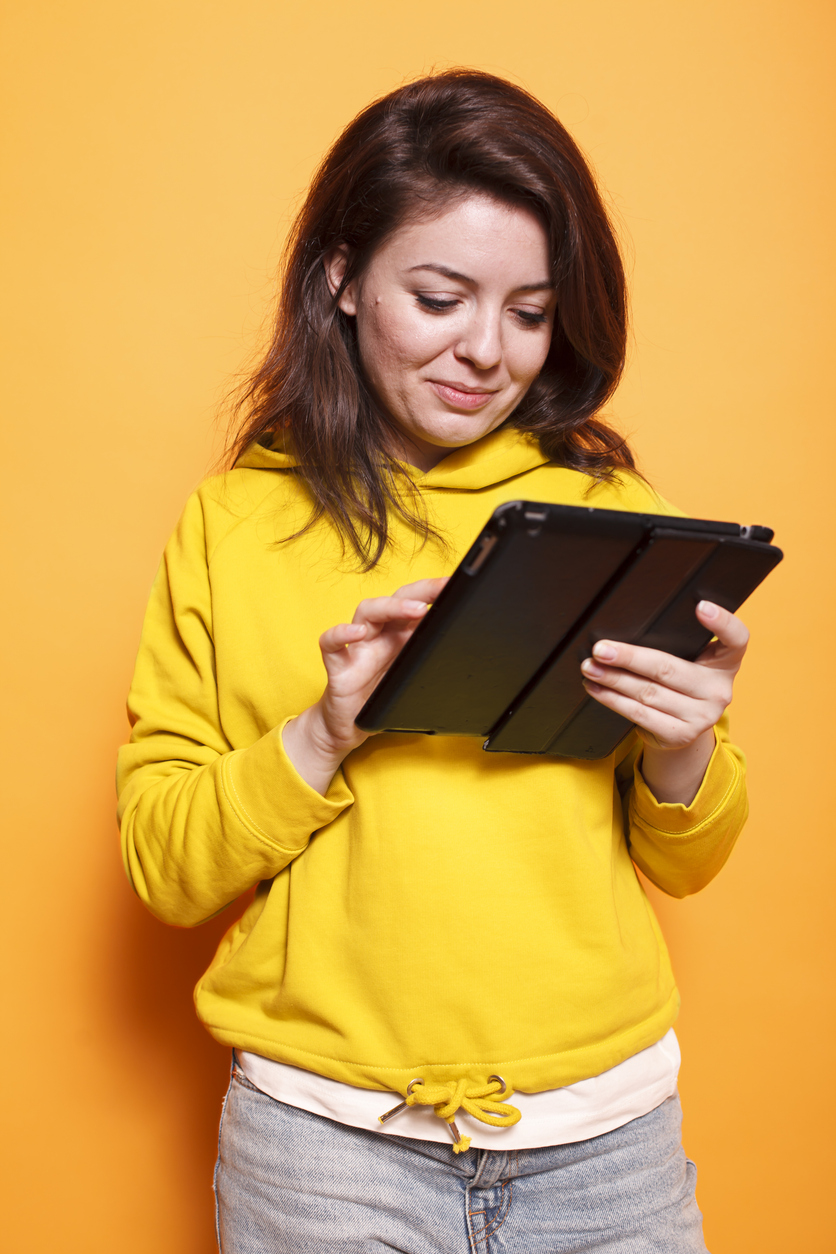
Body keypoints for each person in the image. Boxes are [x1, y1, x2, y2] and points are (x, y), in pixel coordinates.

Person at [117, 69, 750, 1253]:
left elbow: (692, 858)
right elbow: (162, 866)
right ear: (342, 279)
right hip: (322, 1148)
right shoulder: (232, 527)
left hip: (605, 1141)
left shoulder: (609, 508)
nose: (483, 351)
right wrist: (320, 734)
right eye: (440, 296)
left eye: (527, 311)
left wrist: (683, 747)